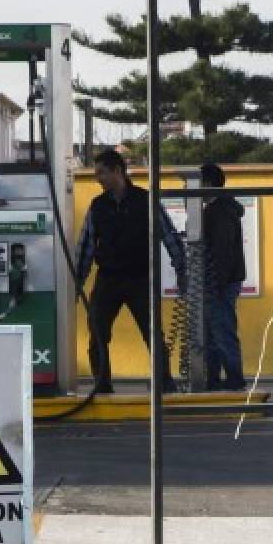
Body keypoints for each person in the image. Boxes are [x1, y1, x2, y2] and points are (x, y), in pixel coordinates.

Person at [76, 148, 185, 393]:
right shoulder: (98, 206)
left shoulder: (144, 201)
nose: (97, 178)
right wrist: (77, 282)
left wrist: (182, 270)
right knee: (98, 334)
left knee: (152, 334)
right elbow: (86, 246)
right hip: (108, 279)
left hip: (140, 278)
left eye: (101, 172)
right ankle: (102, 385)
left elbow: (169, 235)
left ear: (117, 171)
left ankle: (164, 383)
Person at [199, 162, 247, 391]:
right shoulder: (222, 209)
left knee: (221, 329)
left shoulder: (220, 212)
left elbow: (222, 251)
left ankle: (234, 377)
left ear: (207, 184)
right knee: (214, 331)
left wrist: (217, 283)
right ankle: (215, 377)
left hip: (221, 282)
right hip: (221, 281)